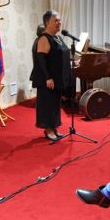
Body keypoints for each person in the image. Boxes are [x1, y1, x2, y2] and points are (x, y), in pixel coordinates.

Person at [35, 10, 70, 141]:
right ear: (47, 23)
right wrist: (47, 78)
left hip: (57, 78)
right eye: (56, 20)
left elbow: (61, 55)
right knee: (47, 104)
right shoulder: (44, 38)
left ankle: (54, 127)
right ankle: (48, 129)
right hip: (48, 79)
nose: (59, 22)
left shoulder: (58, 38)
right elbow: (41, 60)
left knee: (55, 104)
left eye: (59, 20)